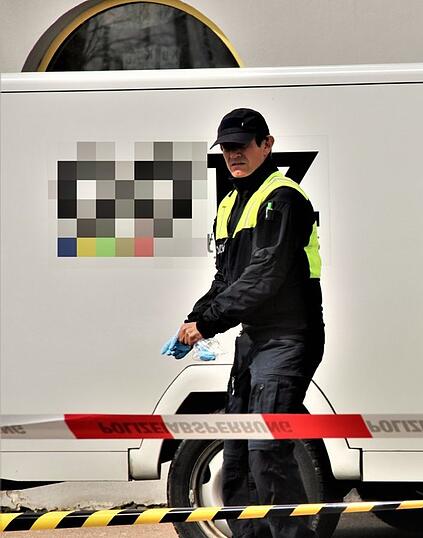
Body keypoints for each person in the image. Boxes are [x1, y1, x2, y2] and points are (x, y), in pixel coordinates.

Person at [164, 108, 325, 538]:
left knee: (266, 451)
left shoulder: (284, 198)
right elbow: (226, 277)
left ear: (266, 144)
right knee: (235, 455)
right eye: (228, 148)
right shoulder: (231, 203)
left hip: (289, 337)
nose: (235, 155)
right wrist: (195, 316)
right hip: (253, 339)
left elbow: (266, 276)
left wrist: (209, 322)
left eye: (243, 145)